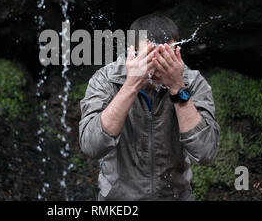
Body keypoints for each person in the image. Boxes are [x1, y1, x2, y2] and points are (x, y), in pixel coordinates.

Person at [79, 13, 220, 201]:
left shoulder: (192, 82)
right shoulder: (106, 80)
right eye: (150, 56)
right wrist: (130, 86)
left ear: (176, 52)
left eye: (164, 56)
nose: (157, 66)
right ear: (132, 53)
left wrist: (177, 88)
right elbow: (91, 147)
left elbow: (205, 153)